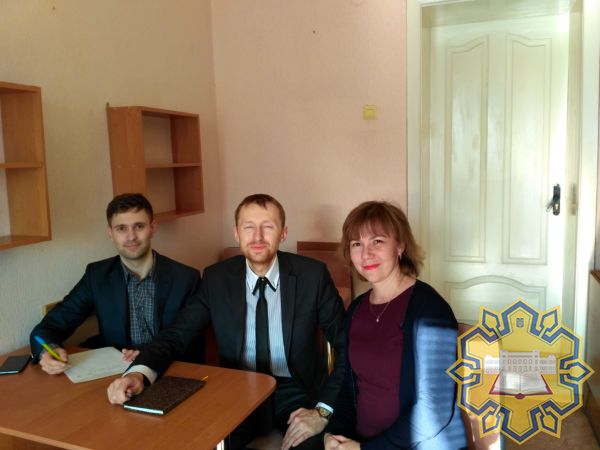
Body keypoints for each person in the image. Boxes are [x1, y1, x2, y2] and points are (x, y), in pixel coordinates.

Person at [107, 193, 347, 450]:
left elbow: (349, 346)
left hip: (296, 390)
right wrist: (139, 374)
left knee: (314, 447)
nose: (257, 237)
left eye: (268, 226)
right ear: (236, 233)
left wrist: (323, 411)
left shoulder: (312, 275)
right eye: (248, 227)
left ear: (283, 233)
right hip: (237, 389)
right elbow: (176, 336)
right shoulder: (216, 279)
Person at [324, 201, 466, 450]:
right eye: (356, 244)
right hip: (360, 442)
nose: (366, 254)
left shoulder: (430, 310)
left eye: (377, 241)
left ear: (400, 246)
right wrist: (333, 434)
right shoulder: (356, 310)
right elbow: (349, 388)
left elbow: (433, 411)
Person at [30, 193, 204, 374]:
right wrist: (46, 351)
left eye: (139, 226)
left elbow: (189, 338)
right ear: (110, 233)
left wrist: (149, 356)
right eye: (121, 228)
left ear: (152, 228)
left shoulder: (186, 278)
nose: (131, 237)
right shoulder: (97, 276)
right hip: (117, 371)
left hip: (169, 370)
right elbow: (50, 326)